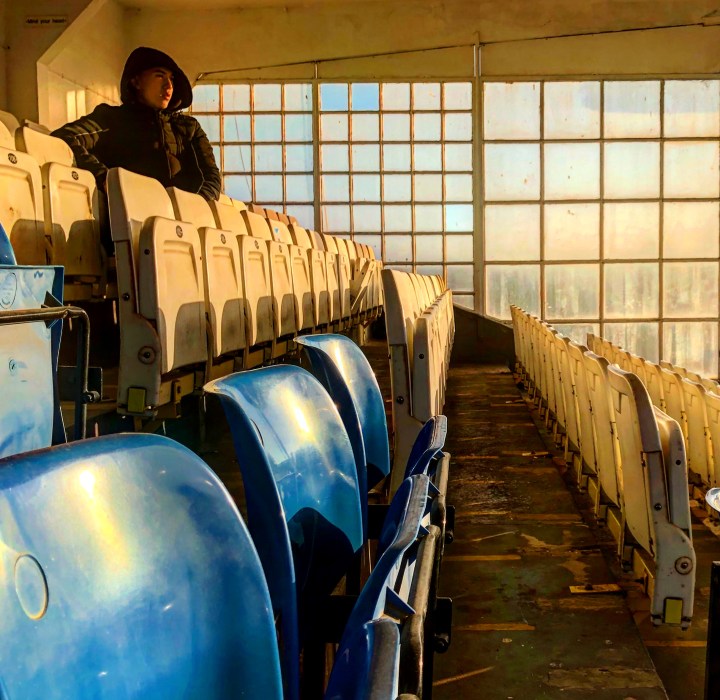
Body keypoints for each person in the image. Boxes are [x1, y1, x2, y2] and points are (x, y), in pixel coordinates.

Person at [52, 46, 221, 206]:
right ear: (136, 81)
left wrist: (196, 208)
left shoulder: (189, 128)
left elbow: (212, 177)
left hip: (186, 224)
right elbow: (65, 137)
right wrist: (105, 178)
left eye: (171, 78)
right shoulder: (112, 119)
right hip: (129, 220)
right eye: (159, 76)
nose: (168, 85)